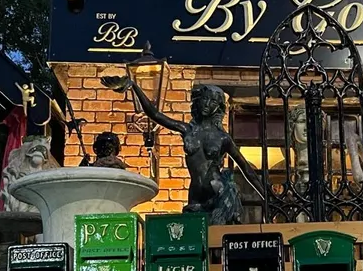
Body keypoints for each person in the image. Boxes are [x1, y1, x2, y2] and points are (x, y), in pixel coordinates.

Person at [102, 73, 264, 224]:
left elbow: (246, 169)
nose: (207, 104)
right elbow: (155, 114)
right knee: (192, 234)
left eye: (213, 102)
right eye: (205, 99)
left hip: (217, 191)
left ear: (219, 107)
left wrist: (267, 196)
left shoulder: (223, 138)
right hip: (195, 193)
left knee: (217, 236)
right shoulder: (187, 130)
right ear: (198, 100)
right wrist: (133, 86)